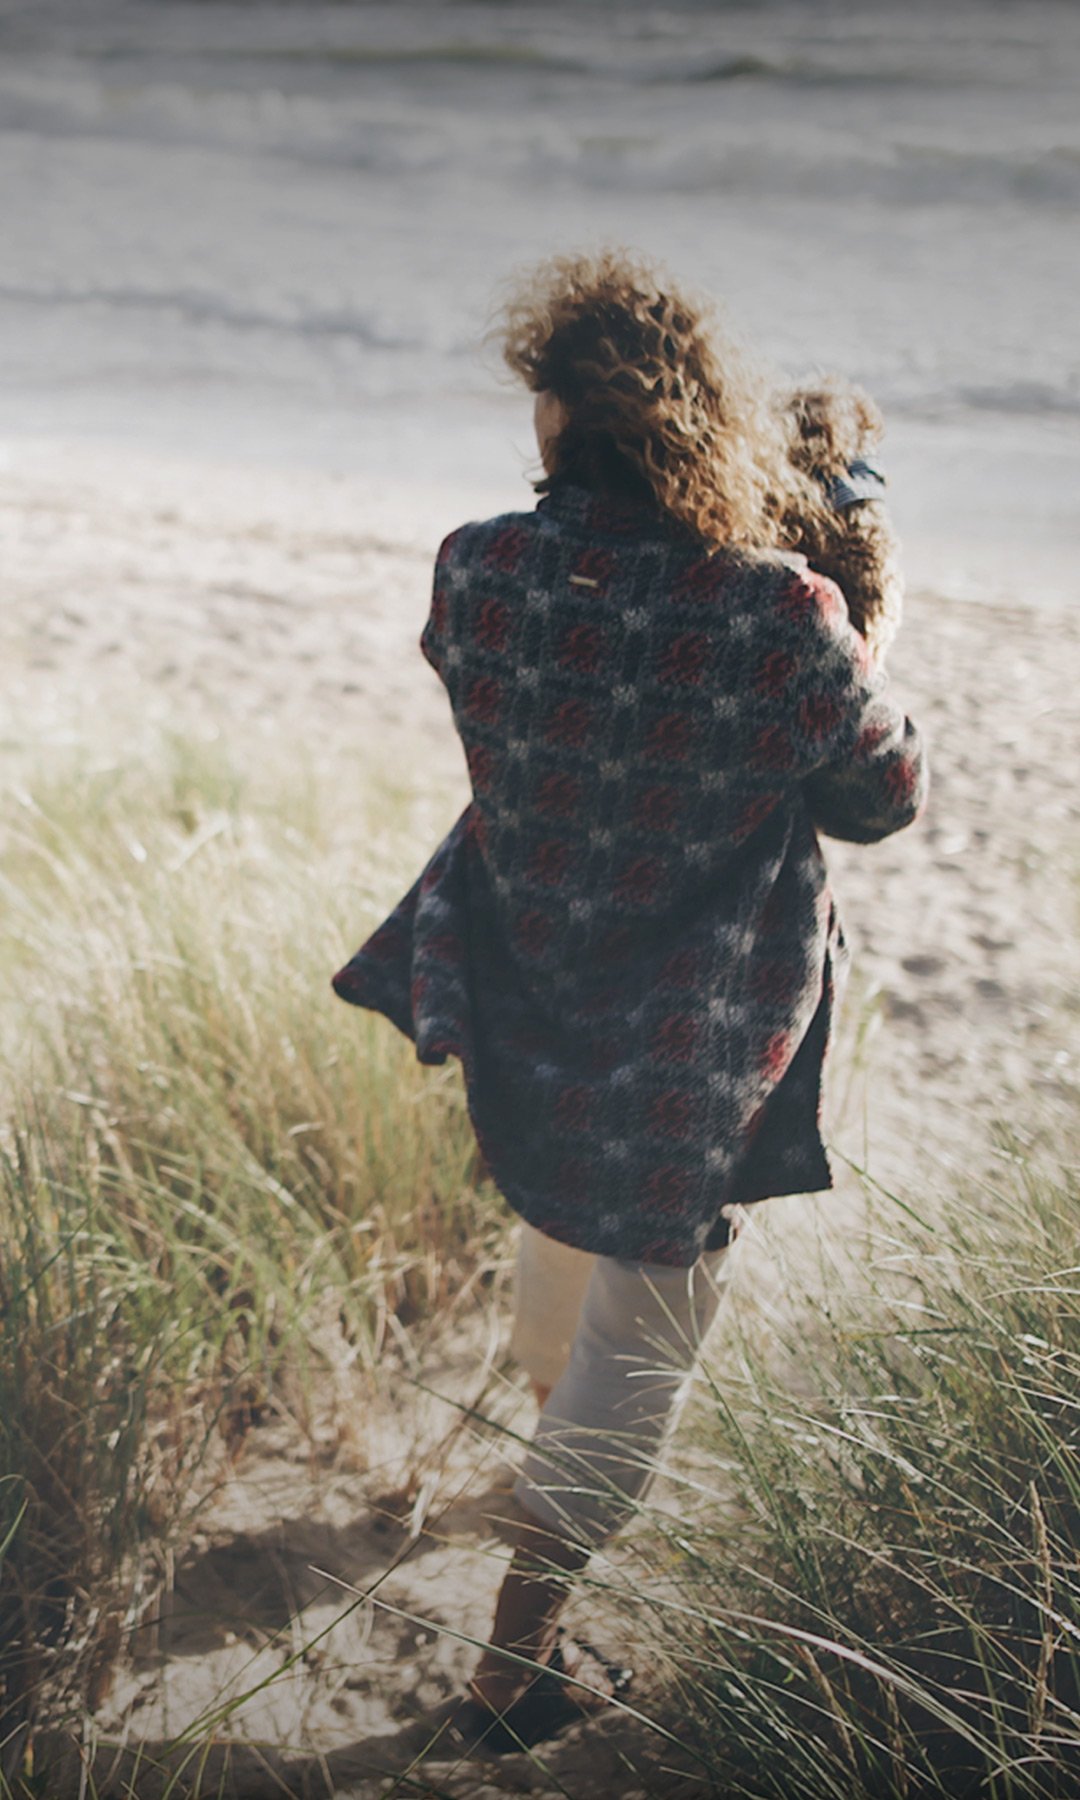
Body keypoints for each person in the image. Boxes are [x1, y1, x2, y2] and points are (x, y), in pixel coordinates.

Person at [331, 249, 928, 1752]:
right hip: (691, 1040)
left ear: (550, 417)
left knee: (559, 1233)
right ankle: (513, 1668)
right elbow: (882, 800)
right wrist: (866, 627)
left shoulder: (474, 566)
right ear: (698, 414)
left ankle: (536, 1459)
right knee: (646, 1339)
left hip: (526, 988)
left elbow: (558, 677)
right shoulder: (780, 614)